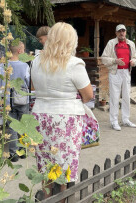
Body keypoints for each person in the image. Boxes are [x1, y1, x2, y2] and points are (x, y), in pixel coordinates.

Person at [31, 22, 93, 199]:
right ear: (70, 41)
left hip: (41, 115)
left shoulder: (37, 62)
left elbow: (34, 87)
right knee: (64, 164)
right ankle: (63, 199)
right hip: (66, 118)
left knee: (45, 163)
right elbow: (88, 95)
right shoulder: (74, 64)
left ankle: (46, 196)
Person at [101, 24, 136, 131]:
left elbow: (135, 58)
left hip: (126, 72)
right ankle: (114, 121)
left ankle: (126, 120)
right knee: (114, 97)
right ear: (116, 33)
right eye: (119, 31)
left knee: (126, 96)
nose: (122, 33)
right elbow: (104, 58)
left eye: (123, 31)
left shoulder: (131, 44)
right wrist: (115, 61)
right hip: (115, 72)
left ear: (125, 32)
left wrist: (133, 62)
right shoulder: (111, 43)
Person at [0, 41, 30, 162]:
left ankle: (13, 153)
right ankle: (23, 150)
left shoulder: (4, 65)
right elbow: (27, 81)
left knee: (11, 126)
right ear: (20, 50)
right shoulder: (25, 65)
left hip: (8, 99)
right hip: (22, 98)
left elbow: (1, 83)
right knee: (23, 125)